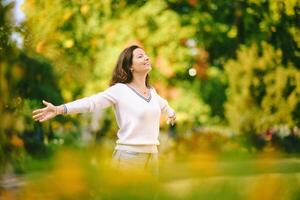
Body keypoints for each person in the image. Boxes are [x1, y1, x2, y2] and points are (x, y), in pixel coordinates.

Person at [32, 45, 176, 177]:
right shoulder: (120, 90)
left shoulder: (152, 92)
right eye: (140, 56)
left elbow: (163, 104)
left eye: (146, 55)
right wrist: (59, 109)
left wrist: (170, 113)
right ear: (130, 66)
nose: (147, 58)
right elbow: (91, 102)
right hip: (129, 158)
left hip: (153, 157)